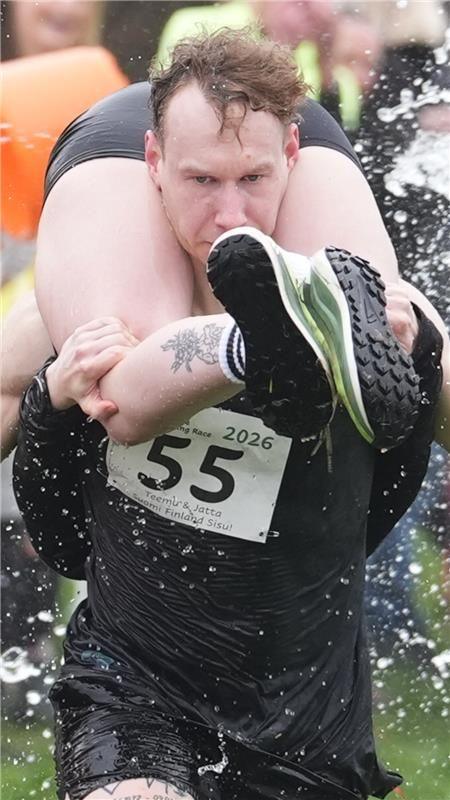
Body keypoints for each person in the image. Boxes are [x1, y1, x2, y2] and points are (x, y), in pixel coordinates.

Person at [9, 28, 450, 800]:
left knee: (397, 330)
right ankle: (256, 342)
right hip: (122, 147)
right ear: (158, 168)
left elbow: (380, 488)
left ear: (285, 161)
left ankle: (334, 334)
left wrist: (414, 351)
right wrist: (55, 397)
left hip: (296, 127)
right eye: (204, 187)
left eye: (253, 182)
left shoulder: (298, 168)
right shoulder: (127, 190)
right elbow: (87, 467)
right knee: (114, 369)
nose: (231, 214)